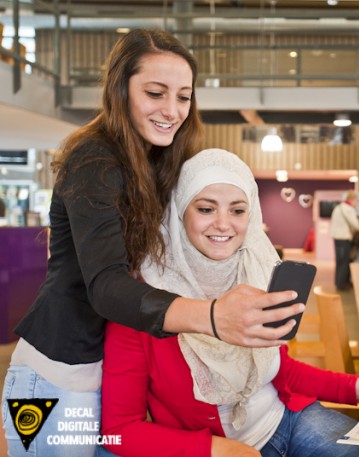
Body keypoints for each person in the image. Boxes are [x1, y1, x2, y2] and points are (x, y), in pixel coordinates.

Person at [2, 30, 301, 457]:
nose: (172, 110)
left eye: (183, 97)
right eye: (156, 93)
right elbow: (106, 286)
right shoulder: (94, 160)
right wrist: (214, 317)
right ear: (120, 90)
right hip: (57, 374)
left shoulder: (155, 161)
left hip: (103, 370)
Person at [100, 148, 359, 457]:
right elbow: (117, 432)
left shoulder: (253, 273)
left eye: (237, 210)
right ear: (179, 213)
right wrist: (213, 449)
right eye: (206, 209)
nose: (224, 224)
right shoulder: (142, 303)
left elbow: (280, 369)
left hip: (286, 418)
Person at [330, 190, 359, 290]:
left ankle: (338, 282)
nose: (357, 203)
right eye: (357, 201)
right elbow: (356, 225)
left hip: (337, 238)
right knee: (345, 262)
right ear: (352, 199)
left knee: (340, 262)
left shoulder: (338, 207)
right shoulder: (349, 209)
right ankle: (342, 285)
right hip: (344, 239)